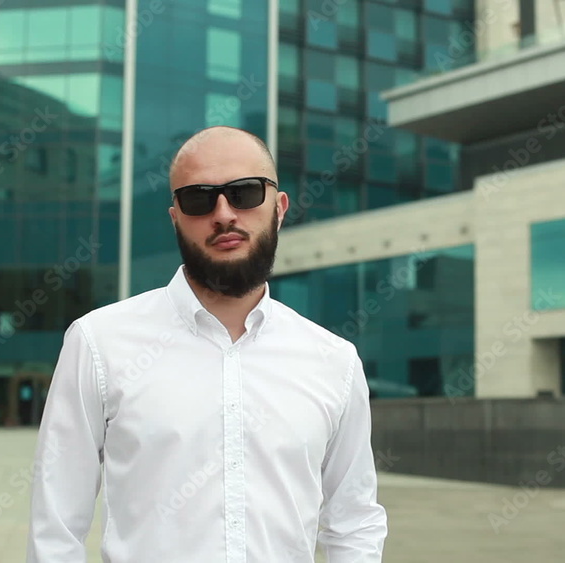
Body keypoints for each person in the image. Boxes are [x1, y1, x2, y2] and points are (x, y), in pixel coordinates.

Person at [26, 126, 388, 562]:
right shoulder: (99, 343)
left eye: (245, 192)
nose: (224, 213)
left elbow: (354, 522)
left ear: (279, 207)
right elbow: (56, 523)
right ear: (176, 216)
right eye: (199, 198)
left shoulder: (334, 361)